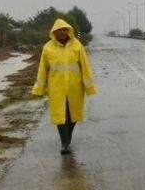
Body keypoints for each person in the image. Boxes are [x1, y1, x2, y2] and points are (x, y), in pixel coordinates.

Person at [31, 18, 97, 154]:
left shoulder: (77, 45)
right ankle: (64, 143)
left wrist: (89, 87)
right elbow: (43, 69)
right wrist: (39, 88)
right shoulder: (48, 48)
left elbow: (85, 66)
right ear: (54, 32)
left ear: (68, 31)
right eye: (59, 30)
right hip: (56, 87)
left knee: (73, 115)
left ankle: (68, 137)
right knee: (60, 115)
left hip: (75, 86)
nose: (62, 32)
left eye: (64, 30)